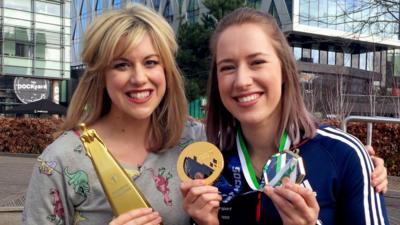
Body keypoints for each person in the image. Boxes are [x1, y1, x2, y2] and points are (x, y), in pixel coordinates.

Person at [181, 7, 389, 225]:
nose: (242, 80)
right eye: (228, 67)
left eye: (257, 62)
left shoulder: (344, 154)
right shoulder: (210, 162)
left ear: (283, 68)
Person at [22, 5, 206, 225]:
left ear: (166, 70)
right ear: (101, 75)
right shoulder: (59, 161)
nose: (139, 78)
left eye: (151, 62)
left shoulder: (195, 142)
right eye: (121, 65)